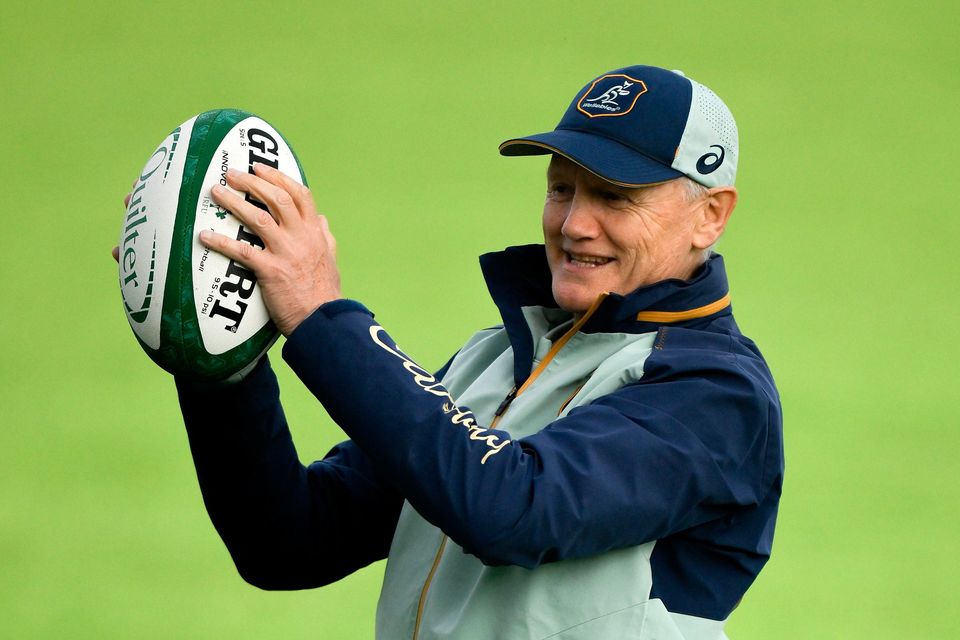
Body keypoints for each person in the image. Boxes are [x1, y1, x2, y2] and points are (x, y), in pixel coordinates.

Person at [164, 65, 783, 639]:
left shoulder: (714, 393)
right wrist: (218, 358)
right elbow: (290, 541)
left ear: (709, 215)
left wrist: (323, 317)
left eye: (615, 198)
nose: (573, 224)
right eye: (562, 188)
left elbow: (511, 507)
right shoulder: (494, 361)